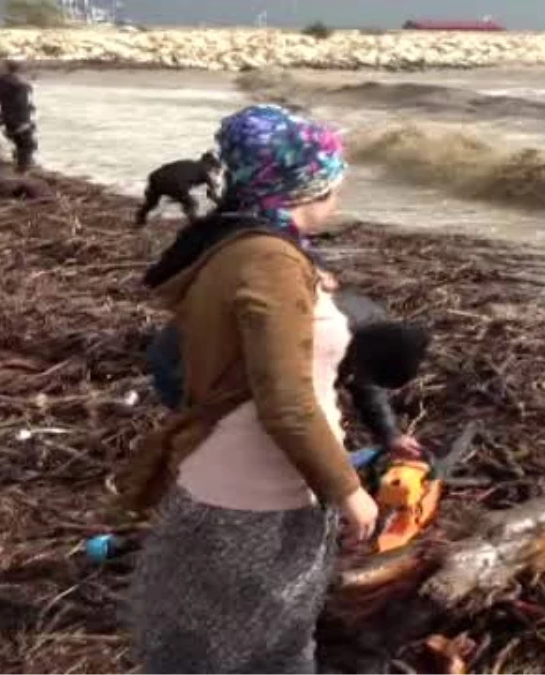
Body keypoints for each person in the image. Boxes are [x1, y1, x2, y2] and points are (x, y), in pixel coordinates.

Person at [118, 104, 378, 674]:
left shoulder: (233, 243)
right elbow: (285, 401)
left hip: (220, 464)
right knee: (273, 648)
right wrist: (347, 489)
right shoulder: (270, 261)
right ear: (303, 187)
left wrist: (304, 282)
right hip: (267, 487)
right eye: (334, 185)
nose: (339, 198)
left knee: (209, 633)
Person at [144, 290, 430, 458]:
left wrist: (390, 434)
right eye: (360, 372)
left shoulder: (374, 331)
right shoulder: (313, 340)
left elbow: (366, 383)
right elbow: (288, 414)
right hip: (183, 361)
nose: (357, 379)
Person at [135, 151, 223, 226]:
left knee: (152, 202)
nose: (212, 170)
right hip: (175, 185)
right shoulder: (204, 172)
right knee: (192, 203)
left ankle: (140, 218)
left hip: (156, 177)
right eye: (213, 168)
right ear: (209, 165)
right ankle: (194, 222)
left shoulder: (187, 162)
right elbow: (213, 193)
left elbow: (168, 167)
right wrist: (217, 201)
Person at [0, 60, 37, 173]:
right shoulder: (21, 83)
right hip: (20, 117)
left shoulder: (1, 82)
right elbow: (24, 104)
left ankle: (21, 166)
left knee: (21, 142)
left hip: (10, 117)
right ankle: (22, 171)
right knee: (27, 144)